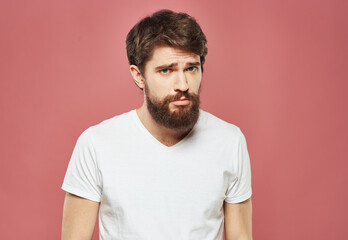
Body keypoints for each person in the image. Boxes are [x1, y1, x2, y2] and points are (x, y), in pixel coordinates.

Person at [61, 9, 252, 240]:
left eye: (191, 68)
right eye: (166, 70)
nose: (182, 84)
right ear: (138, 75)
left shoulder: (230, 141)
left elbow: (241, 236)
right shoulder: (96, 144)